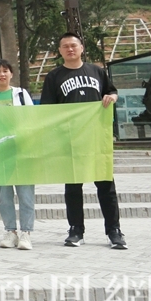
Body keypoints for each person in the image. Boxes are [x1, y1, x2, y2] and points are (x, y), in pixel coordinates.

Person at [41, 32, 127, 249]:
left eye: (73, 45)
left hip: (96, 137)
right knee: (73, 187)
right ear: (60, 51)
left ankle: (114, 231)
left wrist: (112, 97)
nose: (70, 49)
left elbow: (112, 92)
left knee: (106, 185)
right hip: (70, 139)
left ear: (81, 48)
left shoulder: (97, 71)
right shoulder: (54, 77)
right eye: (65, 46)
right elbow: (47, 110)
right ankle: (76, 230)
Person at [0, 59, 35, 251]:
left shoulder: (21, 94)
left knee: (26, 193)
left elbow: (32, 119)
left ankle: (26, 232)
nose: (2, 74)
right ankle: (10, 231)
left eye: (5, 71)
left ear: (11, 74)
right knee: (4, 195)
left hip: (22, 150)